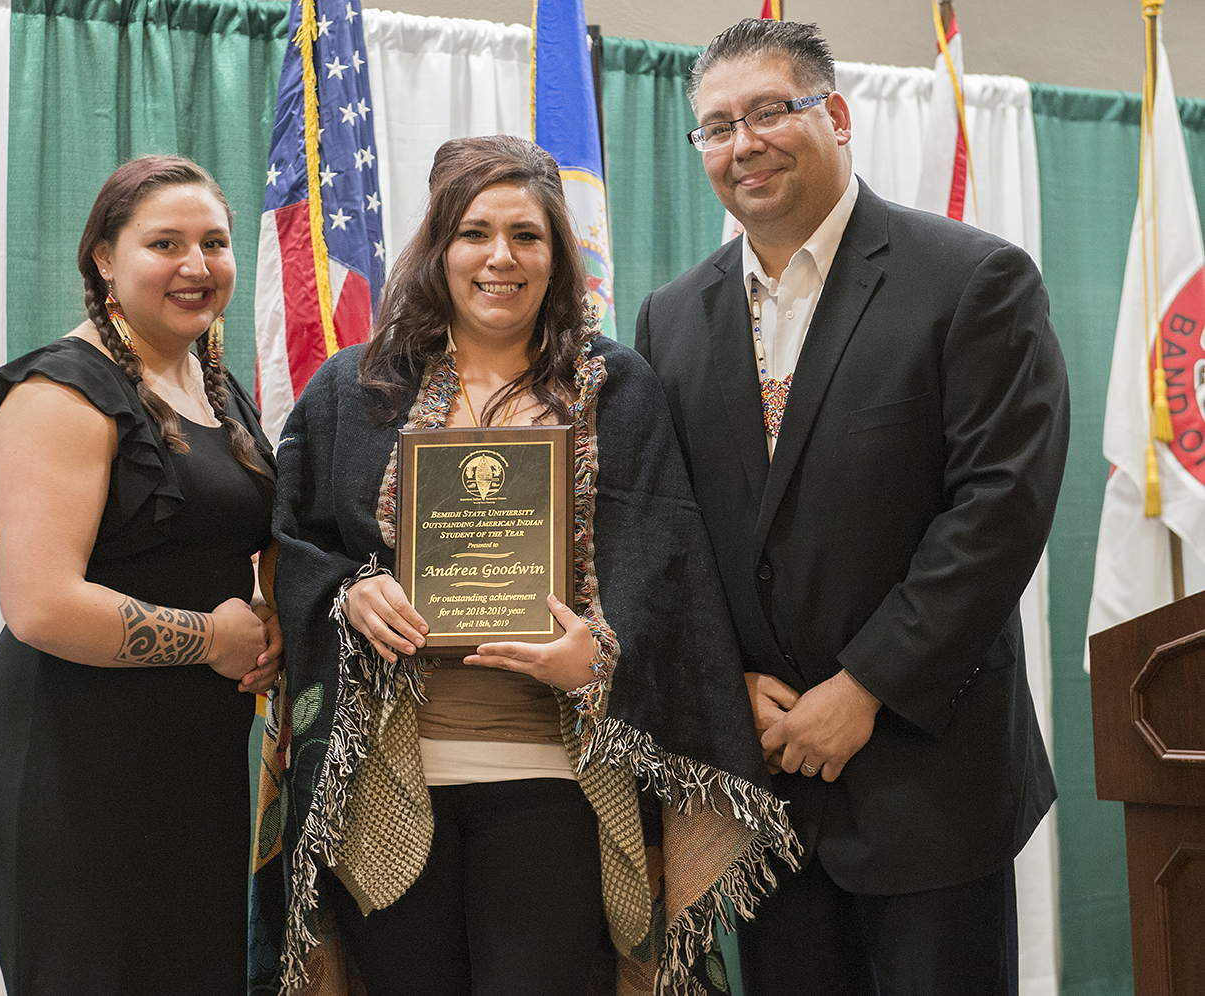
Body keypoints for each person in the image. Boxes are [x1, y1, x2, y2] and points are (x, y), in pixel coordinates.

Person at [270, 135, 798, 996]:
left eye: (527, 235)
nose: (500, 258)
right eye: (475, 232)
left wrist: (605, 659)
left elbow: (670, 565)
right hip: (387, 785)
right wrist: (350, 592)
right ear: (439, 249)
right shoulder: (355, 387)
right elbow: (296, 546)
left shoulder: (617, 388)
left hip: (557, 783)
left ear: (558, 253)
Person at [634, 18, 1070, 996]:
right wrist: (724, 689)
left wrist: (863, 687)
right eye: (715, 127)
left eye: (767, 112)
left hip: (927, 780)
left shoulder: (970, 280)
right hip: (765, 787)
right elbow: (668, 531)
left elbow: (999, 509)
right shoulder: (669, 318)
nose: (742, 144)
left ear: (834, 114)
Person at [0, 155, 280, 995]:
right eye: (164, 243)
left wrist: (269, 624)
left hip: (192, 772)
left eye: (214, 242)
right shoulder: (60, 393)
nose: (196, 266)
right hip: (77, 780)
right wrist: (216, 636)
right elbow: (41, 607)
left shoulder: (212, 384)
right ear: (104, 257)